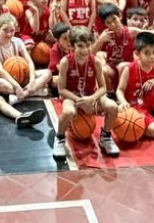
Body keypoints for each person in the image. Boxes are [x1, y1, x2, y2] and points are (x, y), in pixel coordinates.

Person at [52, 26, 121, 159]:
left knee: (113, 106)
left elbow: (103, 88)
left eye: (88, 45)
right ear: (72, 46)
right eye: (80, 46)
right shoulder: (66, 62)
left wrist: (91, 99)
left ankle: (105, 137)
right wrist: (79, 101)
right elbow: (61, 90)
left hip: (91, 95)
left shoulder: (95, 61)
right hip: (72, 96)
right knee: (68, 112)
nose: (85, 50)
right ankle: (60, 138)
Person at [116, 32, 154, 139]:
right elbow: (119, 90)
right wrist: (123, 102)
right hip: (131, 107)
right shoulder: (129, 69)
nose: (152, 57)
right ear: (137, 54)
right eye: (147, 53)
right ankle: (135, 127)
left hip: (146, 108)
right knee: (137, 129)